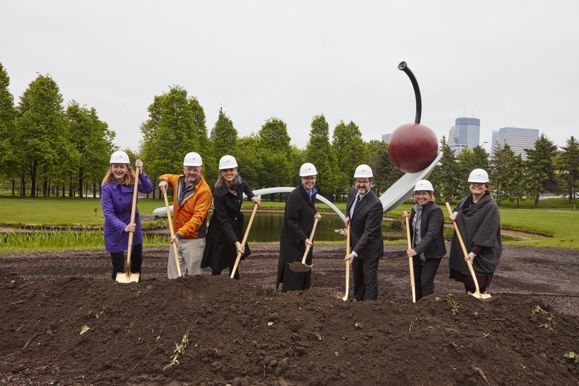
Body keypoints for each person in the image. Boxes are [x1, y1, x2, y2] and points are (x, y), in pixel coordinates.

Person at [201, 155, 261, 279]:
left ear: (236, 170)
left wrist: (252, 196)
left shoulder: (240, 182)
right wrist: (236, 242)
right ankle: (215, 282)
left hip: (235, 224)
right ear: (221, 172)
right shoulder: (218, 191)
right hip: (220, 227)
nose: (229, 173)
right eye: (225, 170)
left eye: (231, 169)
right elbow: (224, 220)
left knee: (234, 256)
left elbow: (247, 189)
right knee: (217, 259)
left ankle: (235, 282)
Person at [158, 152, 213, 279]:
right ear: (184, 169)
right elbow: (166, 176)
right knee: (174, 276)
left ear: (200, 170)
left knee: (195, 277)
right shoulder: (178, 180)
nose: (192, 172)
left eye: (195, 169)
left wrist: (179, 234)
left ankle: (196, 299)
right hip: (176, 236)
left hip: (194, 239)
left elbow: (197, 219)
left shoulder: (204, 191)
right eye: (189, 169)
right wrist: (163, 180)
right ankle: (175, 298)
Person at [101, 150, 153, 280]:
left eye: (122, 166)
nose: (119, 170)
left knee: (136, 262)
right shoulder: (106, 188)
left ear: (127, 168)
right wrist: (124, 227)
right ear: (111, 168)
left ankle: (136, 290)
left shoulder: (132, 183)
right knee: (118, 266)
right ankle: (117, 290)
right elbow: (108, 213)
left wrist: (140, 172)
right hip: (115, 228)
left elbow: (148, 189)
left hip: (133, 224)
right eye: (116, 166)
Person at [449, 168, 502, 294]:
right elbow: (459, 216)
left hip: (480, 253)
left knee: (478, 283)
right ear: (469, 185)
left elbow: (487, 231)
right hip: (466, 249)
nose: (476, 186)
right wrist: (456, 214)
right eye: (473, 183)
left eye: (480, 184)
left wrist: (474, 252)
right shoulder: (463, 204)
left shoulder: (491, 207)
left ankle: (479, 305)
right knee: (468, 284)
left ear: (486, 186)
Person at [276, 163, 322, 292]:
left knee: (304, 267)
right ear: (301, 179)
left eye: (312, 177)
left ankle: (302, 293)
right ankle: (289, 295)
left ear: (315, 178)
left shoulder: (312, 193)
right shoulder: (294, 195)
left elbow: (306, 208)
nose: (310, 181)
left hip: (305, 238)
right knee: (293, 268)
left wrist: (315, 212)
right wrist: (304, 238)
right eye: (306, 178)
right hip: (293, 240)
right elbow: (291, 220)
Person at [344, 164, 384, 301]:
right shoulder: (352, 192)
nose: (361, 184)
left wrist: (354, 253)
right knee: (358, 278)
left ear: (371, 183)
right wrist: (347, 216)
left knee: (369, 279)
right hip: (355, 242)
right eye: (359, 181)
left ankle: (370, 309)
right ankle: (358, 303)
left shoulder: (375, 204)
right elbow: (349, 207)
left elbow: (369, 233)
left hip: (370, 248)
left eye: (364, 181)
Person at [403, 180, 446, 300]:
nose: (421, 197)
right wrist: (407, 220)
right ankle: (417, 305)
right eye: (418, 194)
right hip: (416, 251)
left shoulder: (435, 210)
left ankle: (427, 308)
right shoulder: (415, 209)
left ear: (430, 195)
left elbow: (432, 233)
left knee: (425, 282)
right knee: (416, 281)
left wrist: (417, 250)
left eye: (424, 194)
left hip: (431, 253)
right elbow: (413, 231)